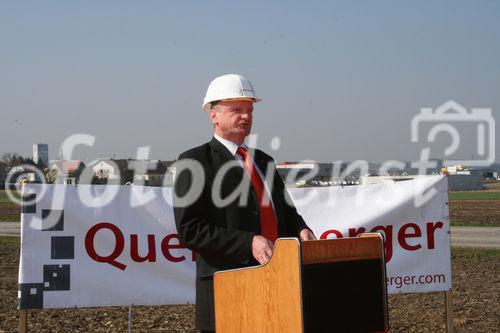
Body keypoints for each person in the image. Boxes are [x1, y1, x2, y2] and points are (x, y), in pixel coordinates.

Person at [173, 74, 316, 332]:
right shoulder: (194, 162)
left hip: (279, 287)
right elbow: (190, 230)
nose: (246, 116)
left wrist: (301, 229)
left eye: (249, 110)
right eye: (236, 109)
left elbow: (286, 212)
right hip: (229, 292)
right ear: (213, 115)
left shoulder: (264, 161)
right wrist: (247, 242)